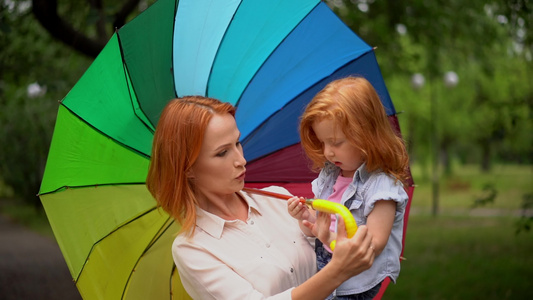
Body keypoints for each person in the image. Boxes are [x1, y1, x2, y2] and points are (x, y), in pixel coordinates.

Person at [146, 95, 376, 300]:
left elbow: (326, 254)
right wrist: (337, 271)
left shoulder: (281, 200)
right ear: (187, 168)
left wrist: (355, 248)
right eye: (222, 152)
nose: (241, 160)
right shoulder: (192, 249)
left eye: (237, 143)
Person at [287, 77, 410, 299]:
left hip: (355, 285)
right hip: (326, 273)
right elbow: (314, 229)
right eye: (323, 142)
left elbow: (372, 246)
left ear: (367, 136)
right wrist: (306, 217)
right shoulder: (329, 175)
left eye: (336, 143)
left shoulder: (381, 187)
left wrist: (329, 237)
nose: (327, 152)